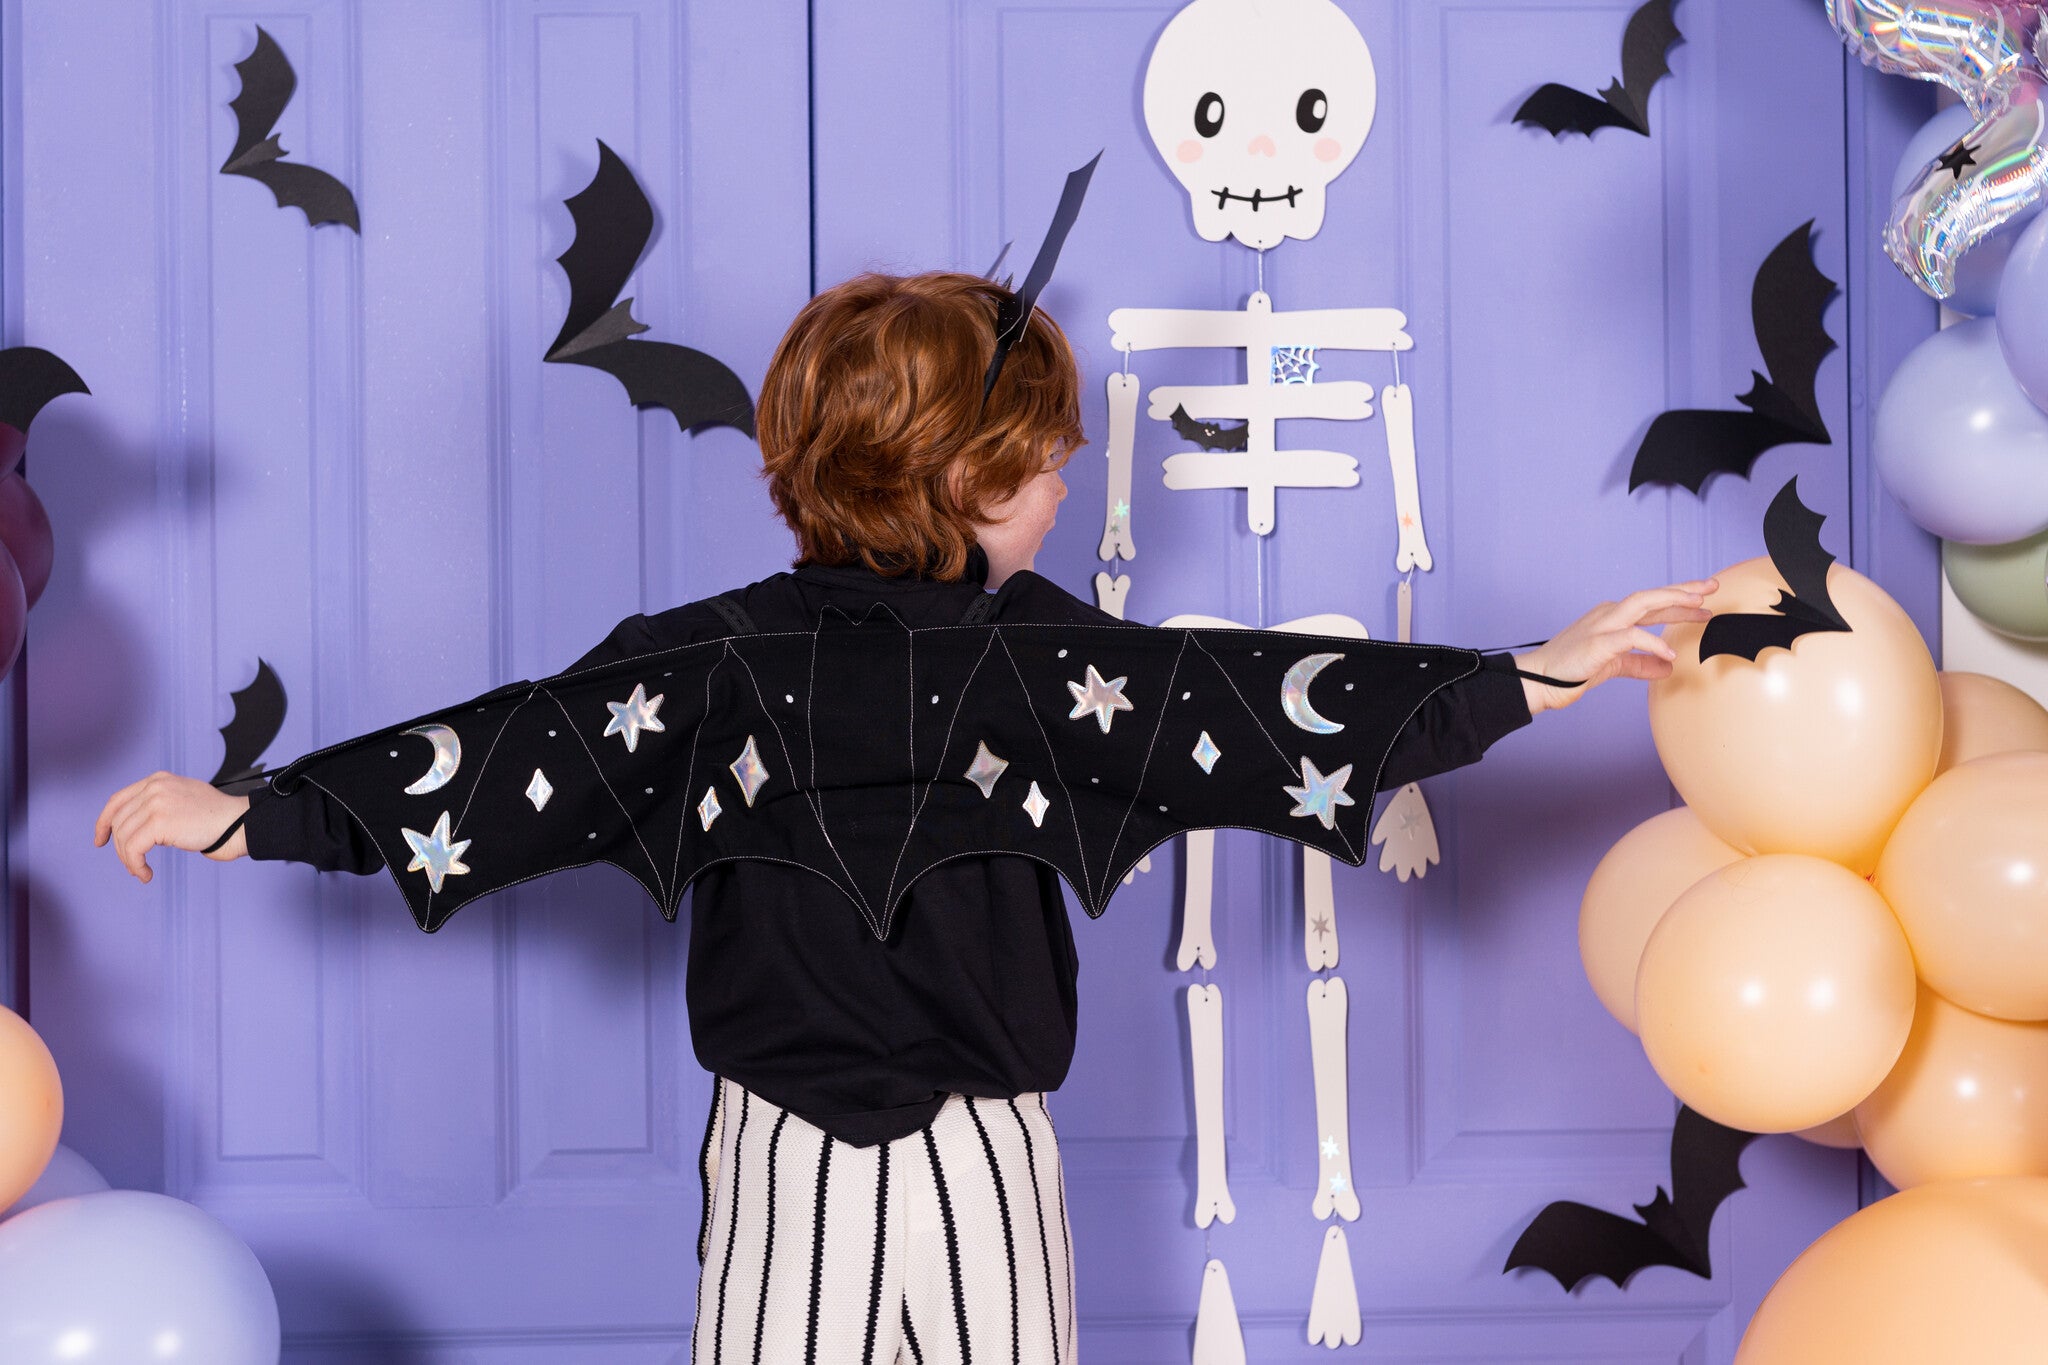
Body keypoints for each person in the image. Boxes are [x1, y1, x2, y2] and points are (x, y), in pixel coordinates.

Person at [94, 270, 1713, 1363]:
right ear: (957, 476)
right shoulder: (712, 661)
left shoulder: (1056, 660)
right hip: (781, 1156)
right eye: (1042, 460)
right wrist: (263, 813)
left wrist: (1526, 675)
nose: (1066, 483)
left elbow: (1270, 707)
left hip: (983, 1153)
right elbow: (506, 760)